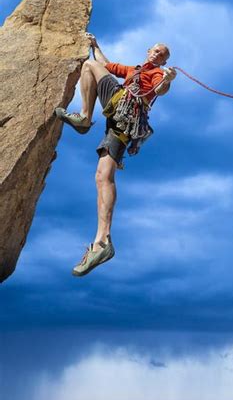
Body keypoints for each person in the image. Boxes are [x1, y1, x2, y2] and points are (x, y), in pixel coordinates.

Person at [55, 33, 177, 277]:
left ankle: (85, 117)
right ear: (147, 51)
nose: (157, 54)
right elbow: (107, 63)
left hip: (126, 113)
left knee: (89, 66)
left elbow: (160, 90)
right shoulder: (134, 70)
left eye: (162, 54)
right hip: (118, 116)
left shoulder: (158, 74)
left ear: (164, 62)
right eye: (155, 50)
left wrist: (169, 78)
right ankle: (102, 241)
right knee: (102, 176)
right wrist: (95, 45)